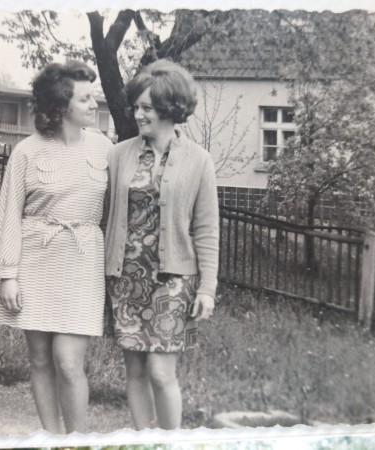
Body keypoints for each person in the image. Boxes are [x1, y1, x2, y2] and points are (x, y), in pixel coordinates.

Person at [0, 61, 112, 434]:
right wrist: (8, 275)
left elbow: (119, 208)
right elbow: (8, 212)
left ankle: (77, 440)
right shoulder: (27, 151)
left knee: (69, 362)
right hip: (36, 260)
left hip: (83, 261)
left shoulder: (105, 148)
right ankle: (52, 438)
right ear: (61, 106)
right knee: (40, 359)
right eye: (85, 99)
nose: (94, 105)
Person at [104, 59, 219, 430]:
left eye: (147, 108)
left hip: (173, 280)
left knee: (160, 372)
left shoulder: (199, 161)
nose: (138, 115)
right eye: (136, 107)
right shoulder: (119, 154)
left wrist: (207, 288)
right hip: (126, 277)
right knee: (135, 370)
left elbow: (207, 228)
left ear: (170, 109)